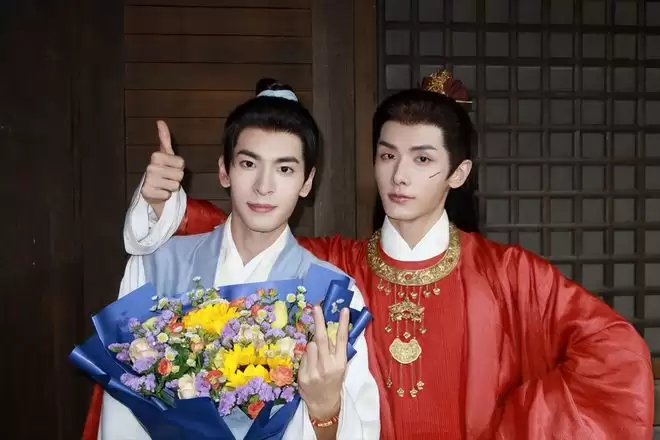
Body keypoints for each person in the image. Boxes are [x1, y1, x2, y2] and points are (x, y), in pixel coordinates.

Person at [123, 70, 655, 439]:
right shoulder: (334, 267)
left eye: (422, 159)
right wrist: (161, 203)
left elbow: (613, 352)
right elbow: (244, 230)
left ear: (458, 173)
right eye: (387, 155)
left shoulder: (510, 275)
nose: (399, 176)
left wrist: (519, 427)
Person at [86, 79, 380, 440]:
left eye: (285, 169)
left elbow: (359, 428)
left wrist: (325, 407)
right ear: (224, 170)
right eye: (248, 163)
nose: (264, 186)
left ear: (307, 182)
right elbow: (123, 411)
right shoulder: (156, 268)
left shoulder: (333, 295)